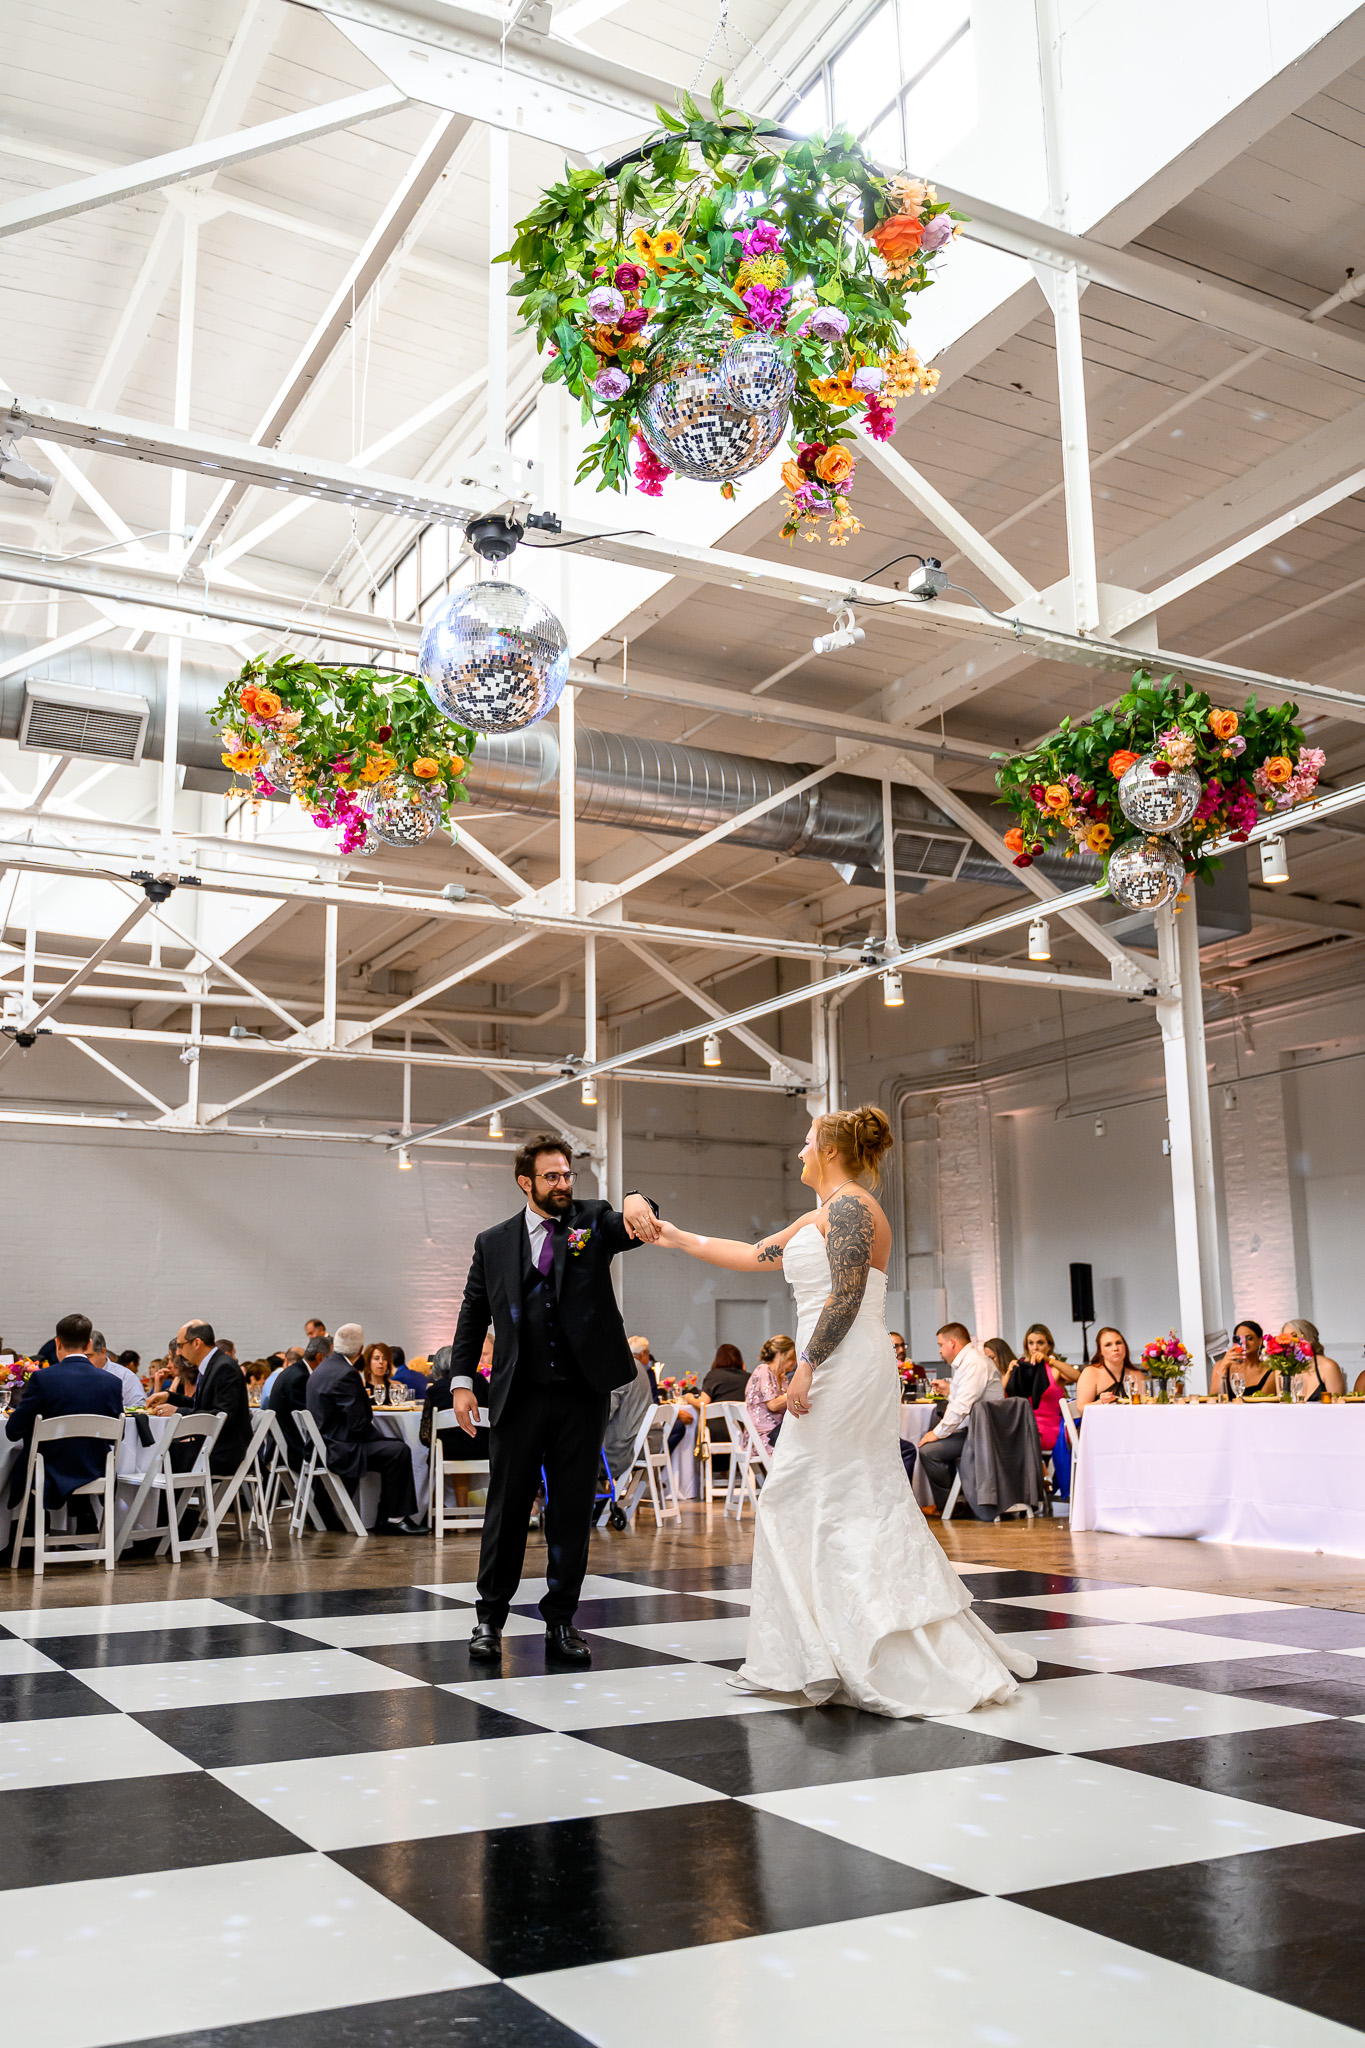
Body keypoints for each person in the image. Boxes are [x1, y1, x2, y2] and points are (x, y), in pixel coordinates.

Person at [653, 1104, 1034, 1717]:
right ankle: (826, 1646)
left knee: (815, 1495)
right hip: (832, 1356)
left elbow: (849, 1293)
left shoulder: (853, 1207)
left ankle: (859, 1644)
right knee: (825, 1499)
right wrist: (673, 1236)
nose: (800, 1152)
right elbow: (750, 1254)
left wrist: (807, 1363)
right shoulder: (821, 1213)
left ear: (830, 1150)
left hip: (844, 1363)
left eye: (808, 1142)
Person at [446, 1133, 661, 1666]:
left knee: (571, 1510)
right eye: (552, 1176)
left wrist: (637, 1200)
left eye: (568, 1174)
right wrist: (462, 1381)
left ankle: (561, 1620)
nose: (564, 1183)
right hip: (518, 1393)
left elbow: (635, 1226)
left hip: (581, 1394)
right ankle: (489, 1620)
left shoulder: (593, 1219)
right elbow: (473, 1313)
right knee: (506, 1509)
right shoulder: (493, 1242)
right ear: (527, 1182)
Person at [5, 1313, 124, 1537]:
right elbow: (117, 1436)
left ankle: (30, 1526)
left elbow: (12, 1432)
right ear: (88, 1344)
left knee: (24, 1458)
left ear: (57, 1342)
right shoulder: (112, 1382)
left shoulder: (43, 1379)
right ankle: (84, 1517)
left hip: (49, 1470)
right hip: (95, 1468)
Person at [306, 1323, 425, 1534]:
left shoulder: (322, 1369)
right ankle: (394, 1518)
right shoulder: (346, 1373)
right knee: (399, 1451)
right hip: (342, 1448)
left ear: (335, 1345)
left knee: (393, 1447)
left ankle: (383, 1516)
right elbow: (359, 1423)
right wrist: (381, 1438)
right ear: (361, 1350)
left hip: (325, 1443)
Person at [915, 1322, 1007, 1519]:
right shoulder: (970, 1362)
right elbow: (968, 1399)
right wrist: (950, 1390)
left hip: (985, 1436)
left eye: (941, 1345)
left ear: (952, 1342)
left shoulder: (973, 1364)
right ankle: (956, 1500)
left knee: (928, 1451)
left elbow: (961, 1408)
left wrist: (936, 1433)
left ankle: (951, 1505)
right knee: (931, 1438)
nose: (940, 1351)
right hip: (979, 1430)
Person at [148, 1323, 251, 1475]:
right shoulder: (214, 1365)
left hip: (224, 1451)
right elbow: (201, 1405)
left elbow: (223, 1416)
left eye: (181, 1346)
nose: (178, 1352)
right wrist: (169, 1397)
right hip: (213, 1445)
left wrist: (178, 1412)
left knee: (158, 1455)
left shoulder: (224, 1367)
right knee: (159, 1451)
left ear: (197, 1343)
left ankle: (149, 1491)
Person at [1002, 1328, 1071, 1498]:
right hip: (1025, 1424)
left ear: (1049, 1345)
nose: (1035, 1347)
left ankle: (1032, 1484)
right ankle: (1031, 1482)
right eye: (1031, 1343)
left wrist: (1049, 1360)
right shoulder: (1022, 1367)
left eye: (1040, 1343)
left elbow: (1076, 1376)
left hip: (1050, 1427)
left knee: (1020, 1437)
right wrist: (1009, 1373)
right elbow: (1001, 1394)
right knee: (1006, 1435)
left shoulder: (1054, 1368)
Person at [603, 1337, 656, 1482]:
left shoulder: (619, 1369)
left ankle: (595, 1495)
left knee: (573, 1452)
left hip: (621, 1452)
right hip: (645, 1443)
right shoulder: (637, 1366)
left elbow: (604, 1414)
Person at [268, 1337, 323, 1465]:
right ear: (320, 1358)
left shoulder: (294, 1371)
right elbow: (307, 1416)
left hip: (280, 1443)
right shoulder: (301, 1377)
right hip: (294, 1448)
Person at [745, 1334, 793, 1452]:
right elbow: (773, 1405)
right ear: (781, 1355)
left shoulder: (783, 1378)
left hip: (777, 1433)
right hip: (763, 1437)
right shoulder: (763, 1370)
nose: (795, 1361)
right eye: (792, 1357)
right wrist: (795, 1393)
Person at [1076, 1326, 1138, 1410]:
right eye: (1108, 1345)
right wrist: (1100, 1402)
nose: (1115, 1348)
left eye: (1118, 1343)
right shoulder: (1090, 1373)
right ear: (1100, 1351)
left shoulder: (1136, 1374)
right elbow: (1081, 1409)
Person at [1281, 1319, 1345, 1400]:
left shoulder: (1328, 1367)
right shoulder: (1282, 1369)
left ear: (1310, 1339)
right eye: (1285, 1339)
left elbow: (1338, 1404)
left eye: (1295, 1337)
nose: (1289, 1342)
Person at [1212, 1320, 1268, 1398]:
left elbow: (1264, 1401)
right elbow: (1213, 1398)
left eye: (1249, 1338)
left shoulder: (1268, 1370)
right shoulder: (1220, 1365)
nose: (1244, 1343)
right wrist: (1223, 1367)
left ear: (1260, 1341)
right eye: (1239, 1339)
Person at [90, 1332, 144, 1408]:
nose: (83, 1360)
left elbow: (140, 1408)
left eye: (88, 1356)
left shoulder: (126, 1376)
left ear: (103, 1352)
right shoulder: (75, 1375)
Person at [361, 1343, 398, 1407]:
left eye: (384, 1359)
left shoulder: (395, 1387)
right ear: (369, 1362)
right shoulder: (361, 1386)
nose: (381, 1362)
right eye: (376, 1358)